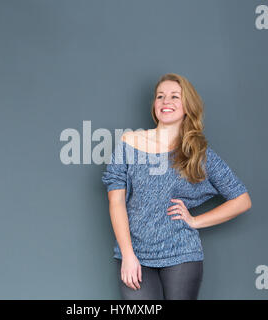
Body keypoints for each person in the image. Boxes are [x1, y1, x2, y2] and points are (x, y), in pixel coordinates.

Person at [101, 73, 252, 300]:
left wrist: (194, 221)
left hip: (182, 253)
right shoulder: (129, 142)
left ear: (187, 106)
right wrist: (128, 254)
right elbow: (116, 201)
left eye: (174, 96)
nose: (165, 102)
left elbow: (242, 200)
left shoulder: (197, 153)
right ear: (154, 105)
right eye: (160, 96)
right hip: (135, 254)